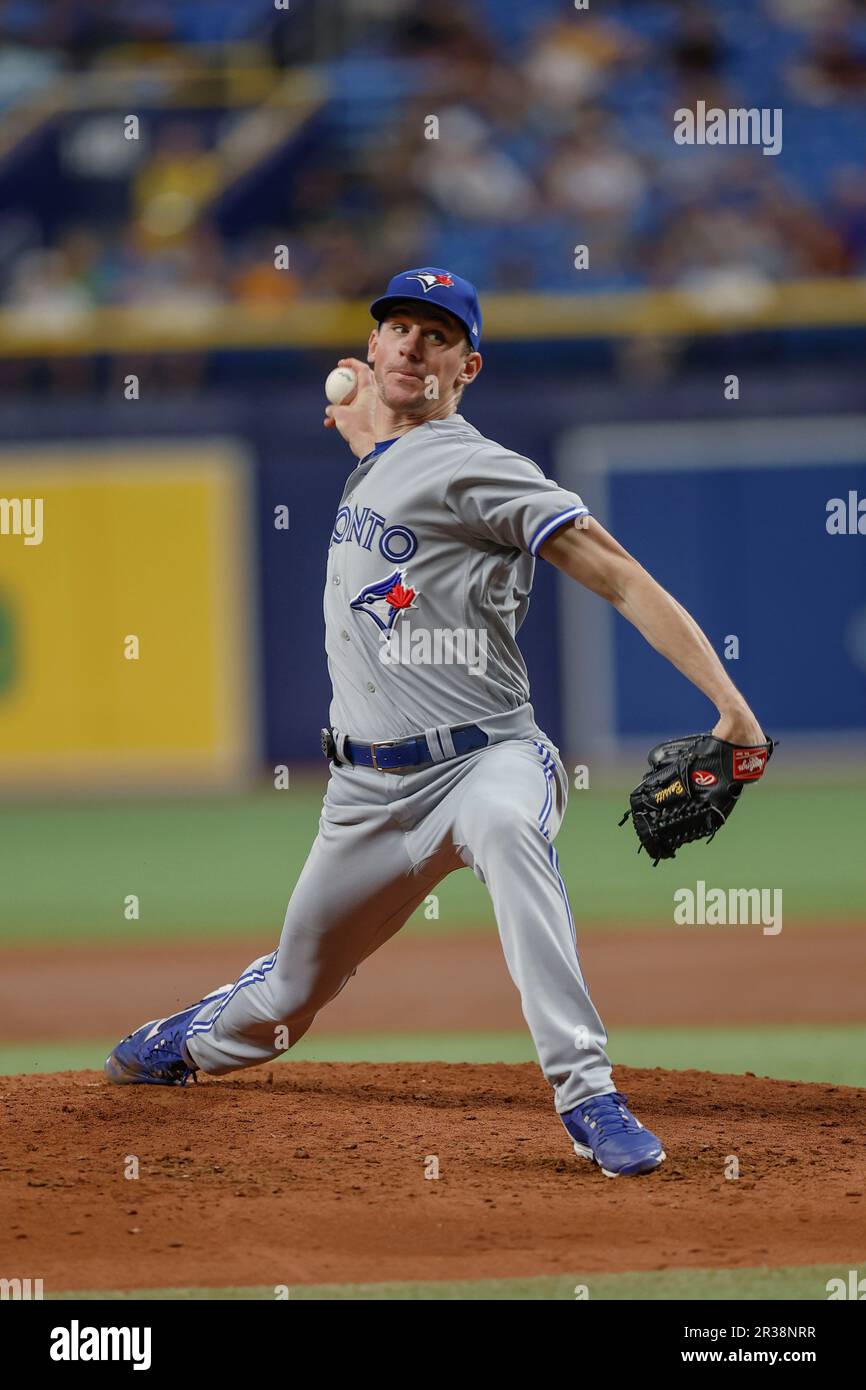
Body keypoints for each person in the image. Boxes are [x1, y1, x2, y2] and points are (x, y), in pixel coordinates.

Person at [105, 267, 765, 1179]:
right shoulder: (384, 451)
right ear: (373, 350)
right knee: (287, 998)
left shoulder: (476, 463)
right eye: (398, 331)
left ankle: (589, 1095)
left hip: (486, 759)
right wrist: (364, 416)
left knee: (507, 834)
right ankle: (195, 1037)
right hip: (366, 794)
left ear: (469, 367)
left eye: (437, 336)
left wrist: (731, 708)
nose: (414, 345)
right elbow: (395, 469)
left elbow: (619, 575)